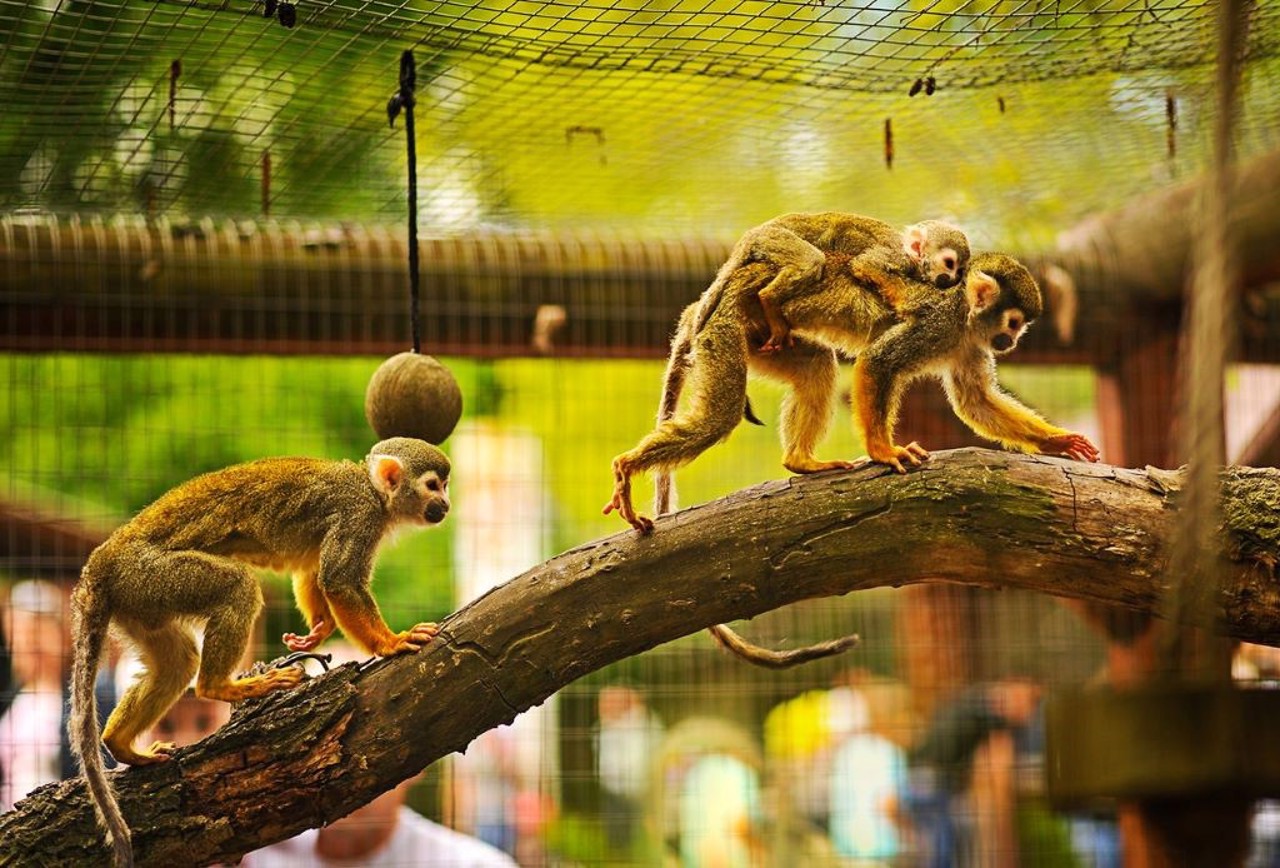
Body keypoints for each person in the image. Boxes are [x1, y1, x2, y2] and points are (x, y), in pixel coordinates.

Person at [0, 580, 74, 809]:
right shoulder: (10, 701)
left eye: (37, 632)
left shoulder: (83, 698)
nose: (26, 643)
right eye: (18, 634)